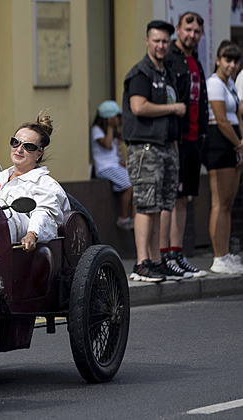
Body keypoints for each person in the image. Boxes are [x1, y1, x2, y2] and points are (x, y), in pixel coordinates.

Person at [122, 20, 188, 282]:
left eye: (165, 41)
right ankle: (141, 263)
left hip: (166, 148)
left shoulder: (166, 73)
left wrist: (175, 152)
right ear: (147, 41)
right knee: (146, 205)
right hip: (145, 149)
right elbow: (138, 107)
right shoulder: (141, 72)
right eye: (156, 40)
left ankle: (157, 260)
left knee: (160, 205)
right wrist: (173, 109)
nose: (161, 45)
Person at [161, 11, 209, 278]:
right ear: (178, 29)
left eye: (197, 32)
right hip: (176, 141)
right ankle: (165, 255)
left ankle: (178, 253)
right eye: (187, 29)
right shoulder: (169, 59)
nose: (192, 35)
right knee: (171, 197)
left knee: (183, 199)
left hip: (193, 140)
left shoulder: (195, 60)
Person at [0, 112, 70, 250]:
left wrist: (32, 234)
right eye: (15, 142)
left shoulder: (45, 184)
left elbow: (45, 212)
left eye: (28, 146)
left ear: (39, 154)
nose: (19, 149)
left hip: (20, 251)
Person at [202, 40, 243, 274]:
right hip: (219, 142)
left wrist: (241, 144)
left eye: (236, 61)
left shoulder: (230, 85)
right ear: (218, 60)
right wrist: (238, 143)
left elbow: (237, 115)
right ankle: (218, 256)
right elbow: (221, 120)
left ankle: (225, 253)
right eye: (228, 60)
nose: (232, 65)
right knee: (219, 202)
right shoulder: (214, 84)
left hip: (233, 143)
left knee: (228, 203)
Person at [90, 100, 134, 230]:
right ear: (108, 118)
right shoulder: (96, 130)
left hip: (115, 167)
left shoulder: (114, 131)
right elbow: (108, 145)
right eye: (116, 117)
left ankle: (135, 218)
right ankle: (124, 218)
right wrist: (110, 127)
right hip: (105, 168)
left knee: (136, 182)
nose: (117, 119)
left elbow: (121, 142)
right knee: (130, 184)